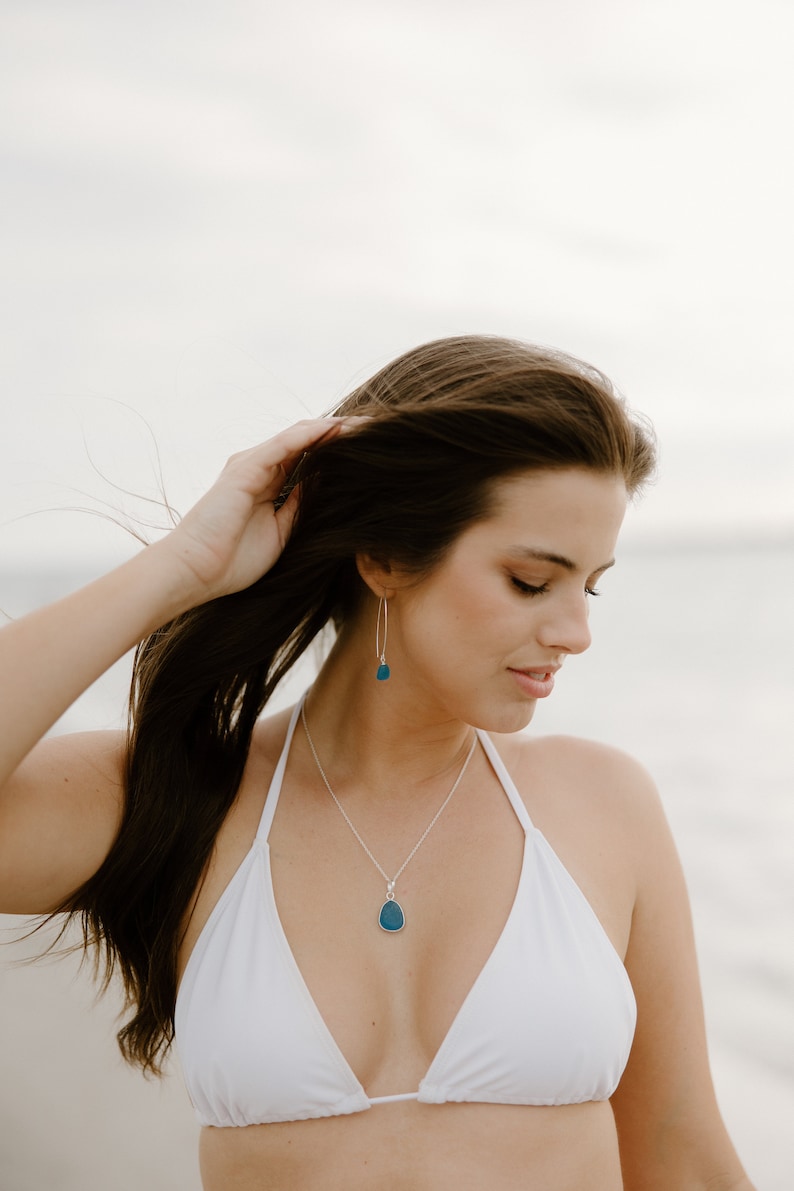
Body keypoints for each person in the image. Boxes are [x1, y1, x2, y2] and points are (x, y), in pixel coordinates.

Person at [0, 335, 755, 1191]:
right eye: (531, 580)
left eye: (592, 584)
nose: (576, 632)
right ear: (386, 558)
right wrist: (181, 568)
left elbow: (683, 1155)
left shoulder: (601, 803)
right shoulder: (186, 799)